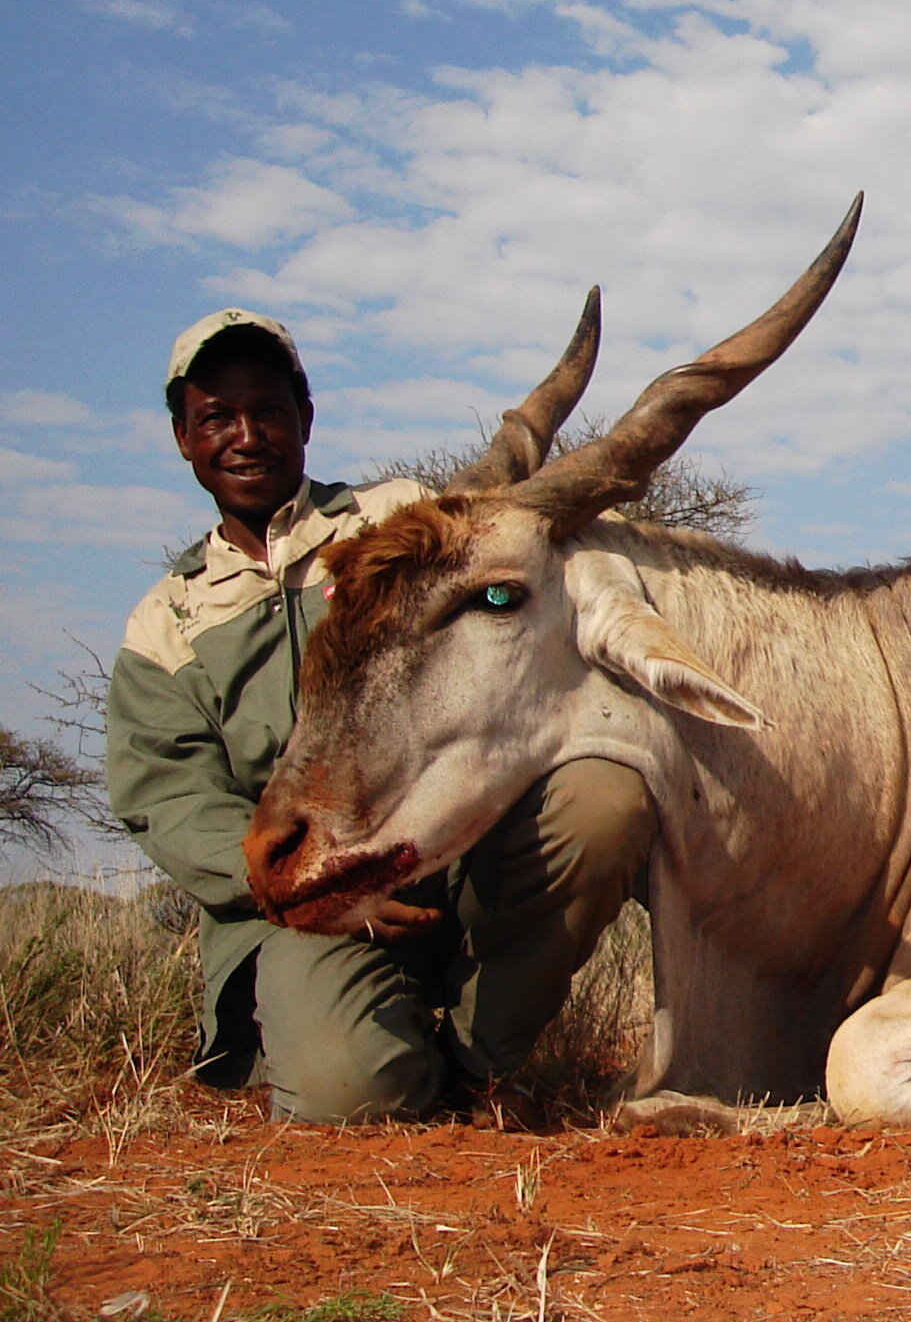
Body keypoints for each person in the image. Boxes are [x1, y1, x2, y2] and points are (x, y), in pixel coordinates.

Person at [106, 308, 655, 1124]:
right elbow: (170, 796)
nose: (247, 435)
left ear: (306, 419)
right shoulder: (167, 624)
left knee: (605, 798)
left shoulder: (398, 518)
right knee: (351, 1093)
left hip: (451, 858)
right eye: (216, 417)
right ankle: (356, 1042)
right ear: (183, 438)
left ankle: (480, 1066)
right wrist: (314, 882)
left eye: (269, 410)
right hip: (308, 907)